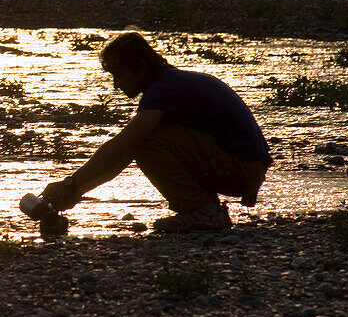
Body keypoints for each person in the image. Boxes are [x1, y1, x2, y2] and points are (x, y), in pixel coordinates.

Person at [38, 32, 272, 233]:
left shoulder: (165, 87)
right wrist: (75, 190)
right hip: (242, 168)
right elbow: (120, 158)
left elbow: (123, 145)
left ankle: (203, 213)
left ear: (140, 67)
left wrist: (70, 184)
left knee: (144, 141)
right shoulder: (169, 82)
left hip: (242, 171)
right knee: (144, 141)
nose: (116, 85)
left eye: (119, 74)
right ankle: (206, 210)